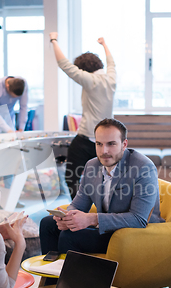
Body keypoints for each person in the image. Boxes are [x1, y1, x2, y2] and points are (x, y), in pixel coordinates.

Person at [40, 118, 163, 254]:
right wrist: (67, 217)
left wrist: (92, 219)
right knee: (48, 224)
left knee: (70, 236)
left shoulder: (143, 167)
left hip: (134, 234)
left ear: (124, 144)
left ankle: (72, 275)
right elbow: (79, 204)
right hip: (107, 229)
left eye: (111, 144)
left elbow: (139, 219)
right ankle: (52, 275)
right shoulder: (92, 166)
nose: (104, 151)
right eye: (99, 144)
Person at [49, 32, 116, 199]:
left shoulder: (89, 80)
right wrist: (104, 45)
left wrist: (54, 40)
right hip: (106, 141)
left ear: (83, 69)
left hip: (87, 139)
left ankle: (79, 211)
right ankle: (98, 211)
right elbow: (111, 63)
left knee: (72, 177)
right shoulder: (111, 79)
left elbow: (64, 65)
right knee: (102, 180)